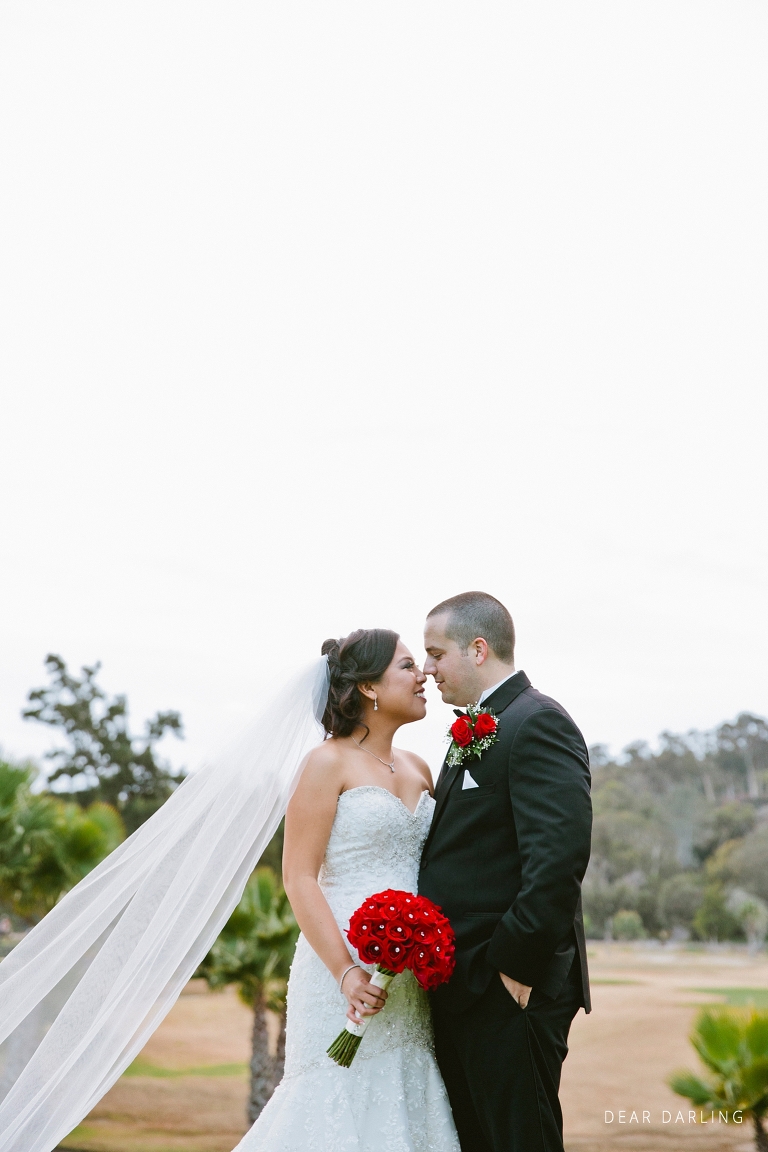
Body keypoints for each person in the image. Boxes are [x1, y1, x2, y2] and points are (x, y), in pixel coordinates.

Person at [235, 628, 460, 1151]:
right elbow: (299, 877)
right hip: (339, 964)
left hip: (409, 974)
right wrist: (346, 971)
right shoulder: (325, 763)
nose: (423, 673)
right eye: (407, 666)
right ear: (369, 688)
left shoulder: (421, 769)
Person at [419, 591, 592, 1152]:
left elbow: (558, 860)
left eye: (435, 653)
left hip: (509, 987)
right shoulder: (472, 731)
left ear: (477, 649)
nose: (428, 668)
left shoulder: (537, 722)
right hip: (462, 985)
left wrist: (513, 970)